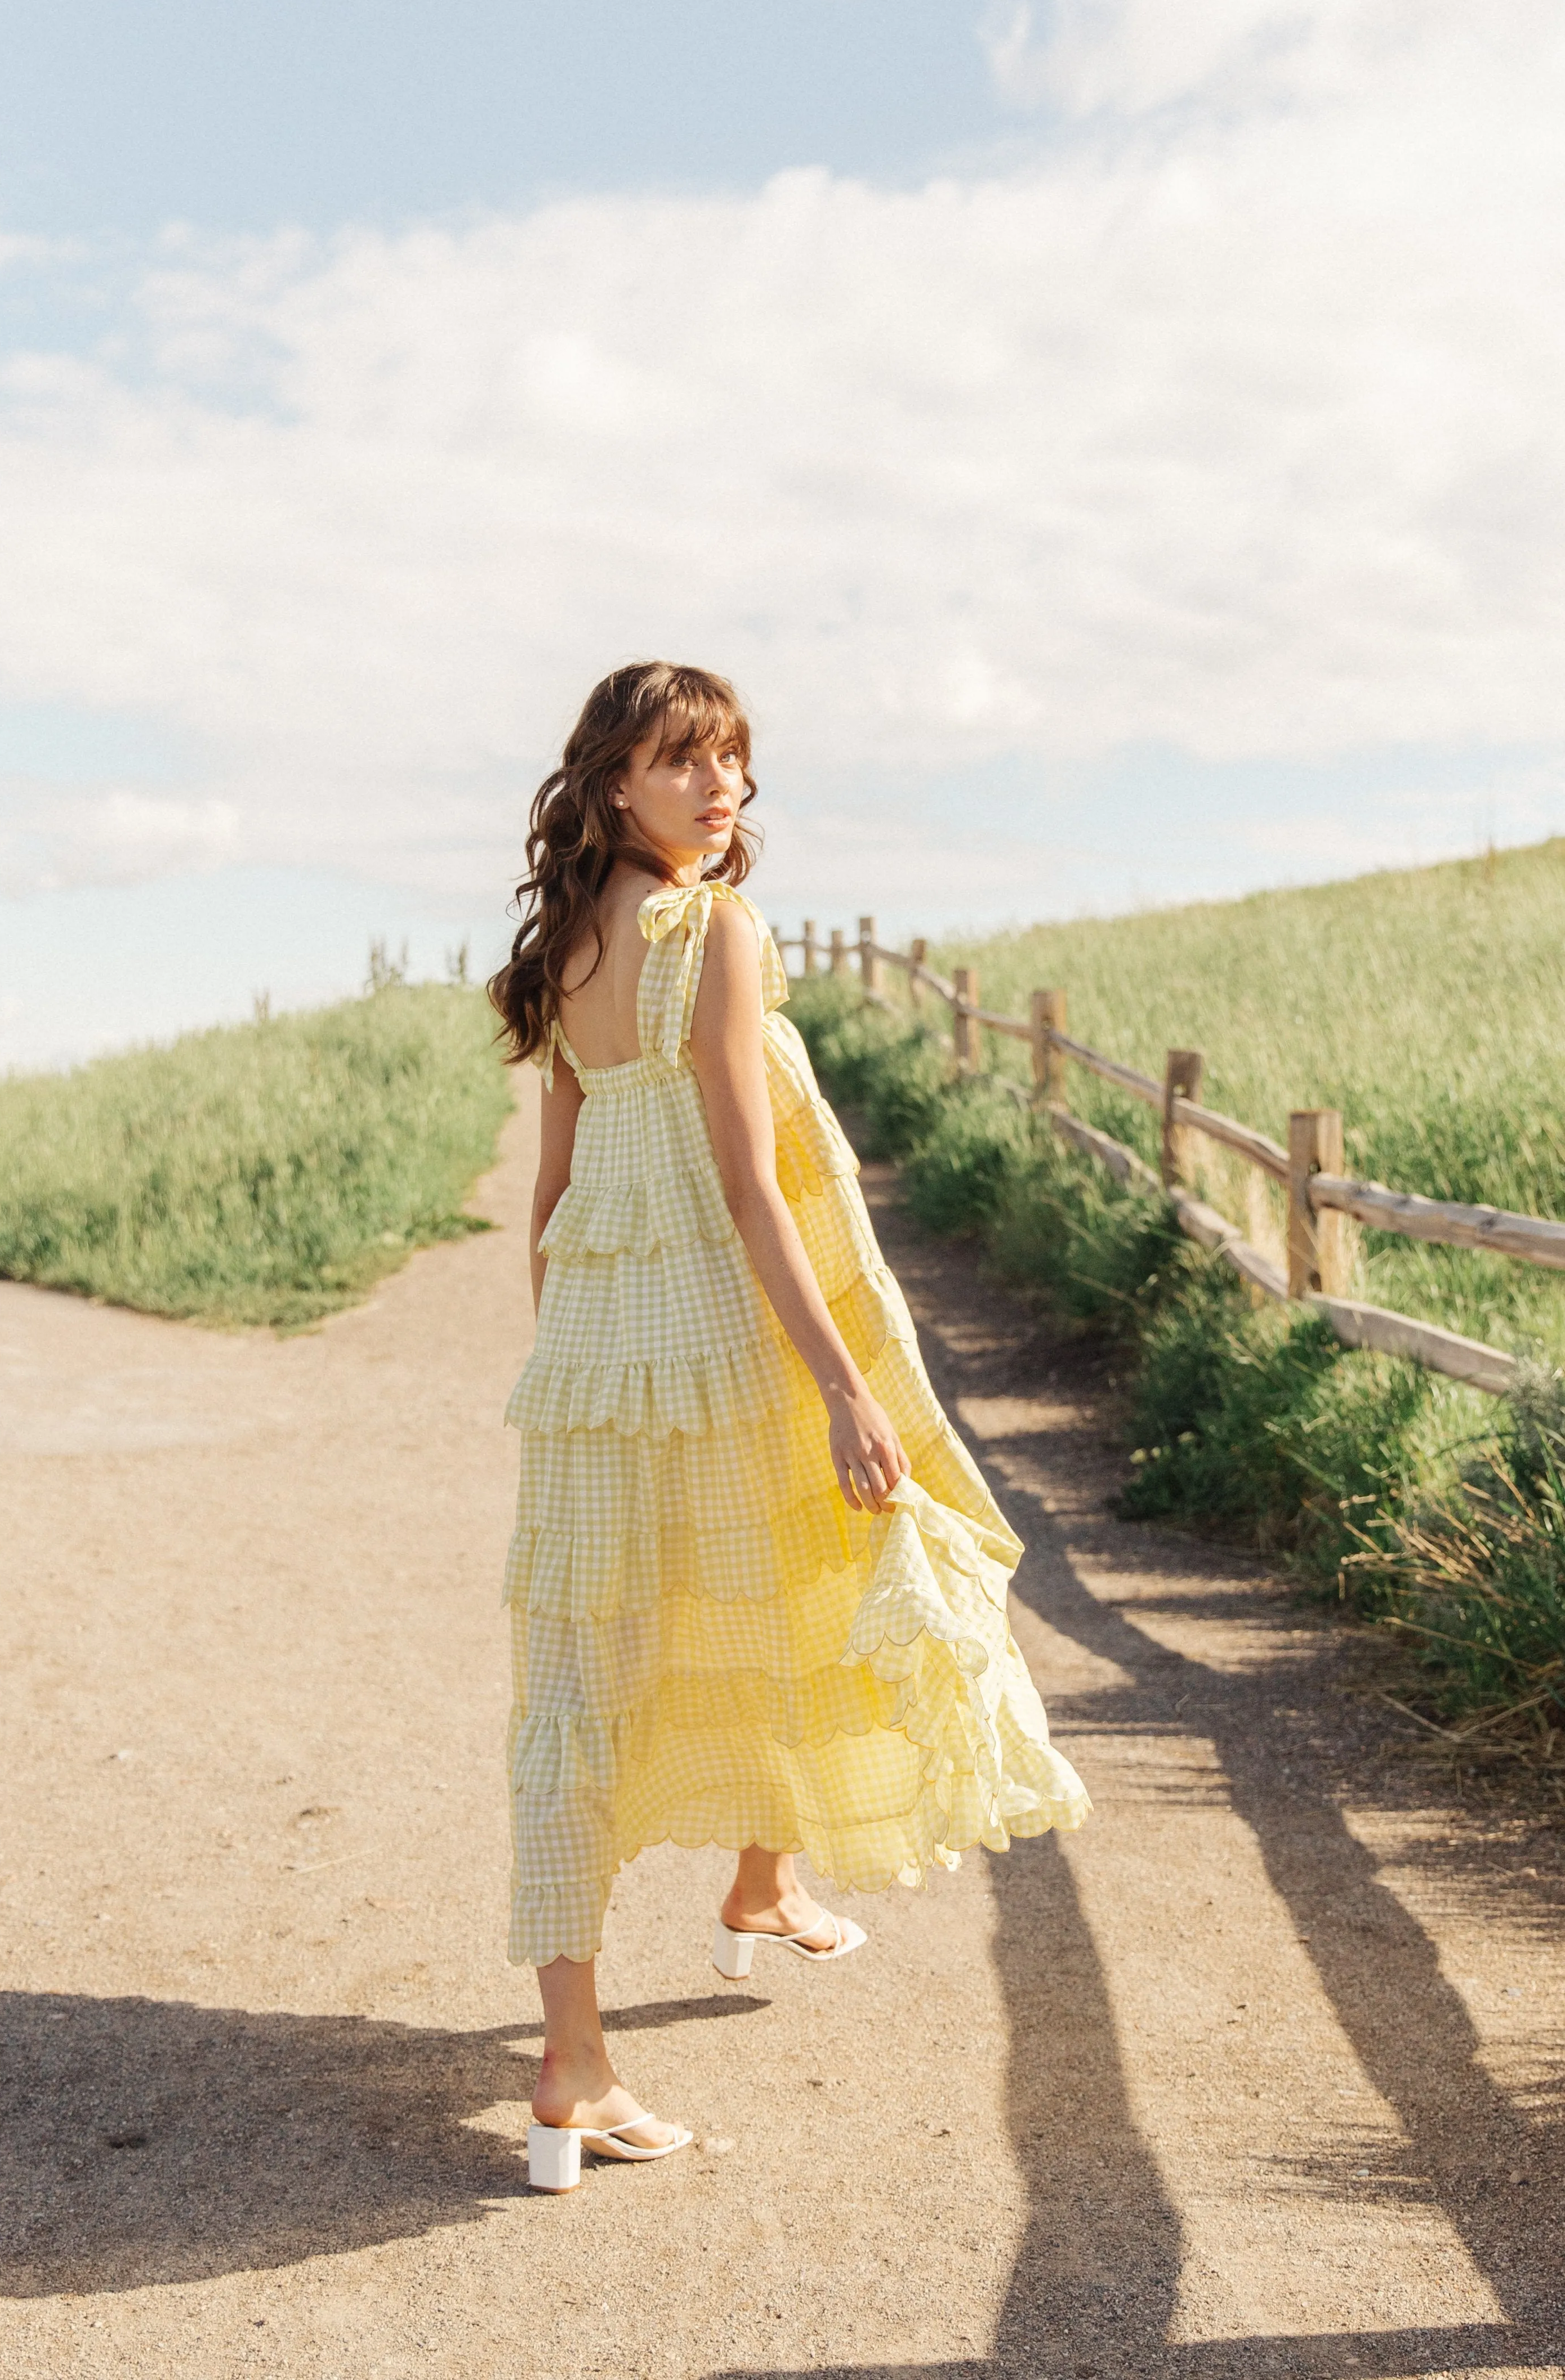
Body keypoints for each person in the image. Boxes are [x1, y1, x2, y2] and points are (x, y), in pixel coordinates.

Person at [489, 660, 1090, 2193]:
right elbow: (755, 1187)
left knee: (583, 1670)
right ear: (615, 782)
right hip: (718, 1334)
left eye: (734, 760)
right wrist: (842, 1382)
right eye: (685, 762)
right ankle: (719, 1921)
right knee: (805, 1575)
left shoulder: (566, 943)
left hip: (596, 1356)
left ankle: (615, 2016)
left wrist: (562, 1352)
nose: (722, 787)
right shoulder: (717, 931)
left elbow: (550, 1202)